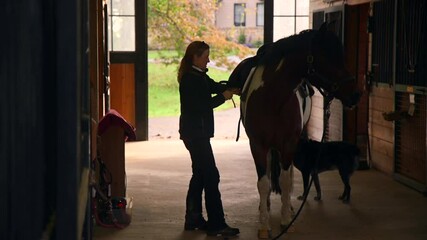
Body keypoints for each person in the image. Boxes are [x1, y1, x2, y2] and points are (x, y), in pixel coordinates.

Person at [178, 41, 240, 237]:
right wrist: (224, 96)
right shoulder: (190, 79)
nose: (209, 60)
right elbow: (202, 105)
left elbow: (214, 86)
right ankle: (217, 224)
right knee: (212, 176)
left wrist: (232, 87)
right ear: (195, 57)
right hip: (196, 135)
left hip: (196, 133)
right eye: (206, 56)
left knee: (200, 175)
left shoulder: (199, 76)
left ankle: (193, 218)